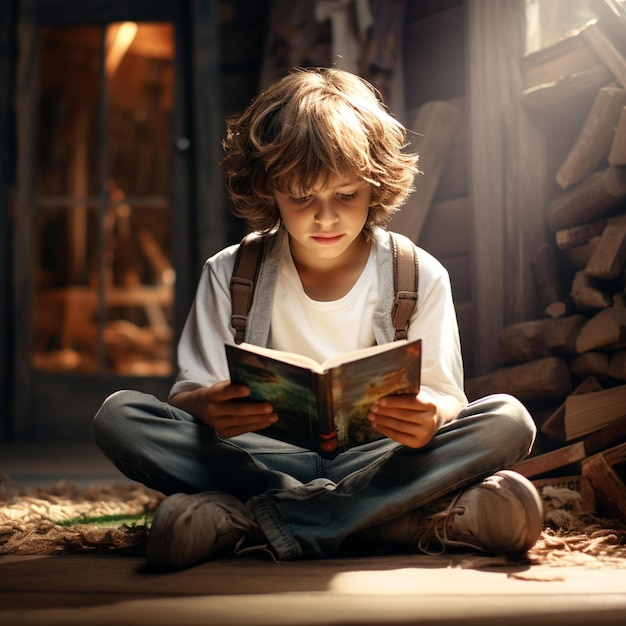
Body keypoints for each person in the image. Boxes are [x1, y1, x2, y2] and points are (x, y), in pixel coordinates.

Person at [93, 67, 543, 571]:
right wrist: (209, 406)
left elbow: (444, 397)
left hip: (377, 460)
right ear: (270, 191)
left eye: (346, 195)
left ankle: (246, 519)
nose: (325, 218)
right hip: (257, 460)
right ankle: (389, 519)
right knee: (120, 417)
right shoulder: (229, 272)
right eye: (302, 197)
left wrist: (430, 415)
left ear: (375, 187)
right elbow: (189, 394)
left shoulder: (419, 275)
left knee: (508, 420)